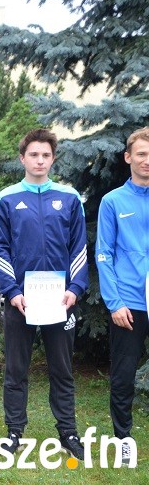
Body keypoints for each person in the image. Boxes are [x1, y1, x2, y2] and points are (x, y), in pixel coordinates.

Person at [0, 128, 88, 460]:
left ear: (53, 159)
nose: (40, 160)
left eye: (46, 155)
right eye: (34, 154)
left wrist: (75, 288)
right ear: (22, 158)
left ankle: (68, 433)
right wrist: (12, 291)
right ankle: (14, 432)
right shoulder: (6, 199)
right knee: (16, 369)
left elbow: (79, 247)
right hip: (21, 301)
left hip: (60, 300)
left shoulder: (70, 198)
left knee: (62, 369)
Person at [96, 126, 149, 467]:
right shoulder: (113, 201)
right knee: (124, 375)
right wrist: (115, 302)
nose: (147, 161)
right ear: (128, 157)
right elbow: (104, 254)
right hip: (129, 304)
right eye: (141, 154)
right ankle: (123, 439)